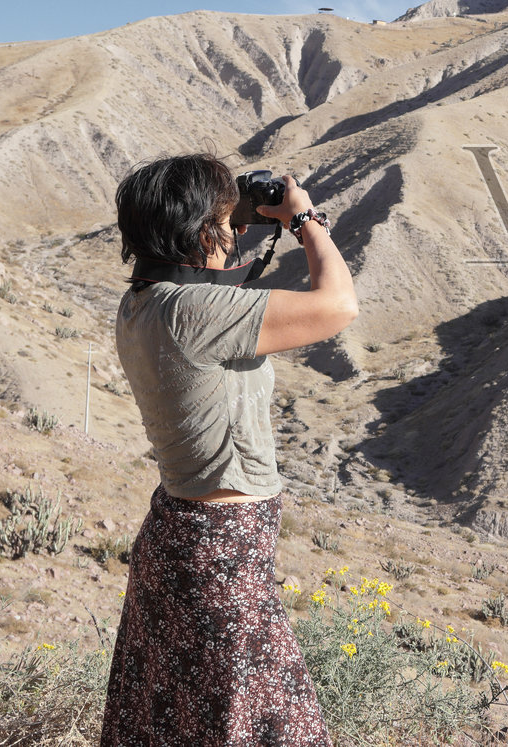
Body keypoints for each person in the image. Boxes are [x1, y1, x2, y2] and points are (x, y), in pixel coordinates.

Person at [100, 154, 358, 746]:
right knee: (269, 726)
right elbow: (338, 305)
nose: (232, 229)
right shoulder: (192, 312)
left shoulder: (144, 302)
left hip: (182, 539)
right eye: (222, 220)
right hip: (223, 554)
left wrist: (226, 229)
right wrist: (304, 220)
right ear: (197, 232)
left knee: (178, 724)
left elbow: (212, 290)